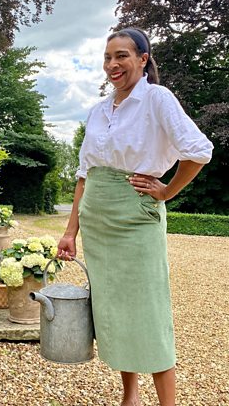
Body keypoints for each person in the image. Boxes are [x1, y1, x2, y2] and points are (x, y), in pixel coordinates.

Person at [56, 27, 213, 406]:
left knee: (148, 310)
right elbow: (83, 175)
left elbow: (198, 151)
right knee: (113, 309)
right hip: (97, 221)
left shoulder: (157, 99)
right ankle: (130, 396)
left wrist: (166, 191)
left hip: (135, 219)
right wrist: (70, 231)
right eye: (108, 57)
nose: (113, 65)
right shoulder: (97, 111)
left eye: (122, 56)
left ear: (143, 59)